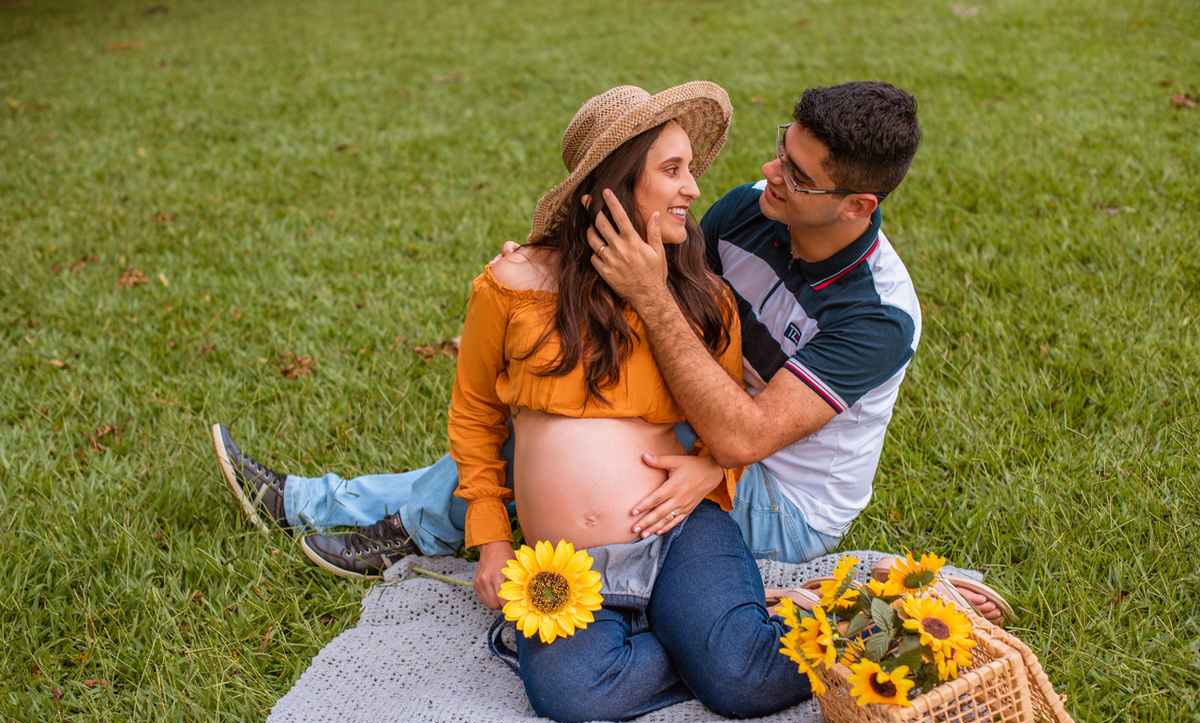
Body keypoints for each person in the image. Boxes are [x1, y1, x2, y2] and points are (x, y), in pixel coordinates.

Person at [212, 81, 1009, 624]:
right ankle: (364, 509)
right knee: (556, 420)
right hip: (700, 422)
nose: (767, 174)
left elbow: (742, 431)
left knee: (556, 445)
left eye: (796, 176)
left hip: (780, 493)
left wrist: (716, 466)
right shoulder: (749, 213)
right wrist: (540, 272)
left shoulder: (878, 313)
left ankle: (376, 517)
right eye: (779, 148)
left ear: (858, 205)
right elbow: (641, 261)